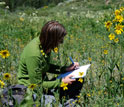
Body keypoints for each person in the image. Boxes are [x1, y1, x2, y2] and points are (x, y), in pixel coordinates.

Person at [17, 21, 83, 107]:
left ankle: (67, 102)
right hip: (30, 89)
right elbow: (37, 85)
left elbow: (46, 66)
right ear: (52, 39)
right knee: (52, 103)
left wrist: (65, 69)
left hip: (43, 84)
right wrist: (61, 82)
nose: (61, 43)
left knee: (78, 78)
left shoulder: (44, 45)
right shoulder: (34, 54)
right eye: (60, 40)